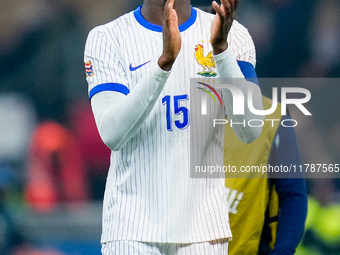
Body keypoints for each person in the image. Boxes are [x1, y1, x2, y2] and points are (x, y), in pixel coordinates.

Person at [84, 0, 264, 254]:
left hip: (204, 231)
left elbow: (250, 128)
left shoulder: (231, 33)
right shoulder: (107, 38)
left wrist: (221, 50)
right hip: (131, 229)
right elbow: (113, 133)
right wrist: (163, 65)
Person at [224, 97, 307, 255]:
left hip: (247, 248)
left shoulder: (274, 118)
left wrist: (283, 251)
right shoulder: (180, 107)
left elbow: (292, 196)